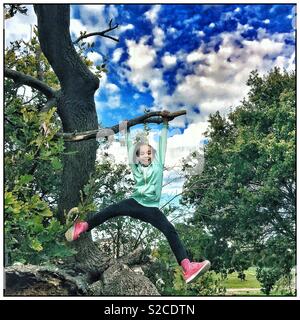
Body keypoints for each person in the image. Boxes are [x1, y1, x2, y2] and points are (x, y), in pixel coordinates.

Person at [65, 110, 211, 283]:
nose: (146, 155)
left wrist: (165, 124)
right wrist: (126, 131)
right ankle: (82, 227)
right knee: (110, 210)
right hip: (134, 203)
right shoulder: (136, 167)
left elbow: (163, 144)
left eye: (149, 153)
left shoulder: (158, 165)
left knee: (170, 230)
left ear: (153, 156)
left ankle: (187, 268)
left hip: (151, 209)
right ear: (138, 157)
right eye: (142, 153)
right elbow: (129, 150)